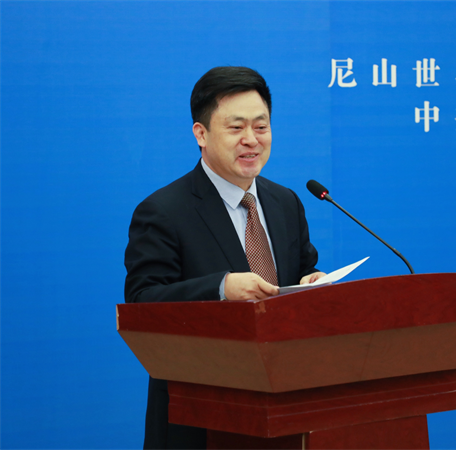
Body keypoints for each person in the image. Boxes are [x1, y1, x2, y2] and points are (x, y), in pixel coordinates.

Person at [124, 66, 325, 450]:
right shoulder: (164, 211)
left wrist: (311, 282)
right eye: (236, 128)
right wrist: (221, 288)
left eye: (261, 127)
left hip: (285, 407)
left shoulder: (285, 202)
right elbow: (142, 304)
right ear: (201, 134)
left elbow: (301, 270)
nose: (251, 139)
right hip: (200, 417)